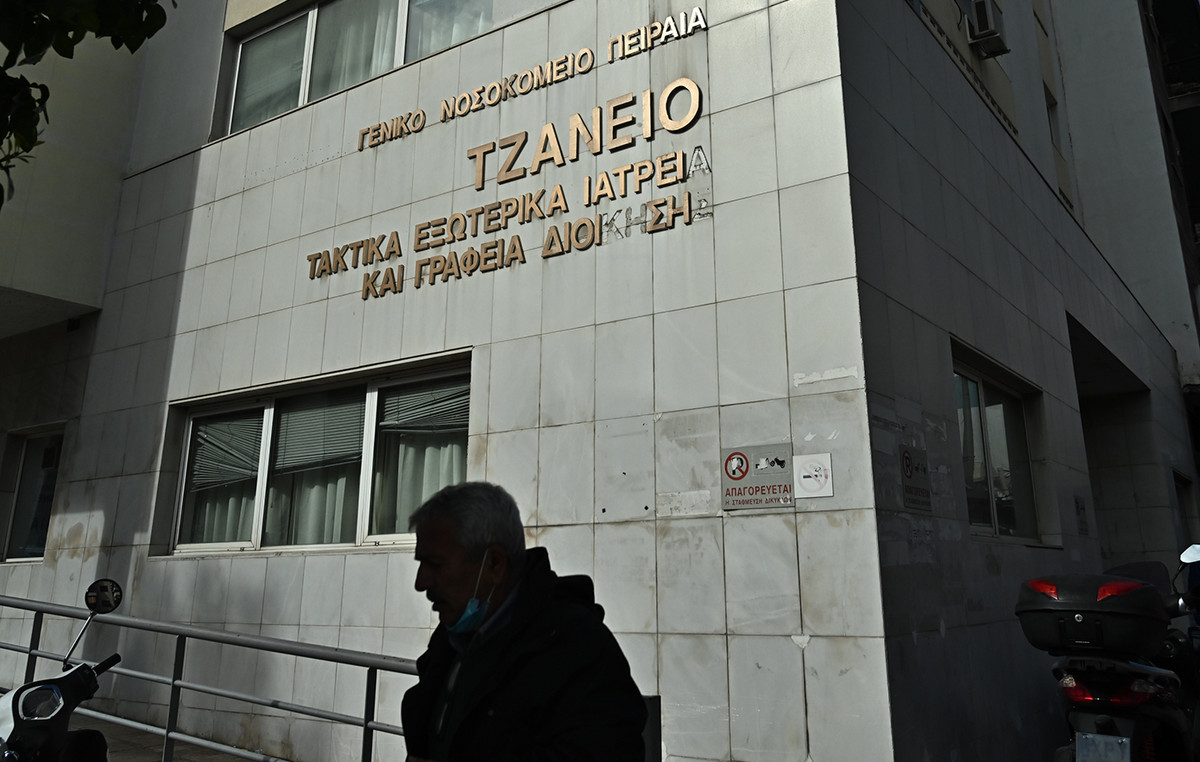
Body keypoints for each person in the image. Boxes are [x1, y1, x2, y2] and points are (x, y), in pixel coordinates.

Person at [401, 481, 647, 762]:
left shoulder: (577, 647)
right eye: (421, 564)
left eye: (435, 564)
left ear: (494, 564)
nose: (421, 582)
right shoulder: (453, 636)